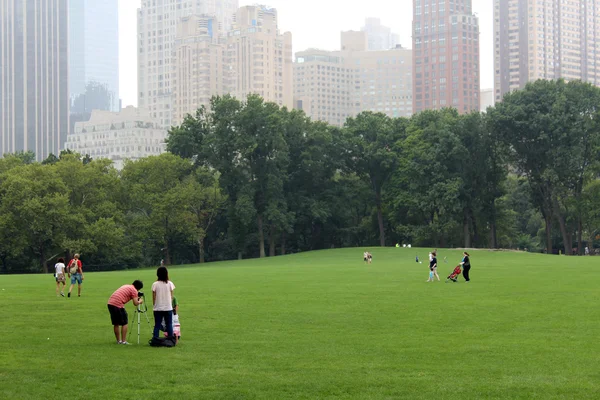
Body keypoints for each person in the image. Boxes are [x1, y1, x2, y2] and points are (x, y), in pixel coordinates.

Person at [107, 280, 144, 345]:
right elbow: (135, 303)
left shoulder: (127, 285)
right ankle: (124, 341)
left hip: (110, 303)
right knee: (124, 322)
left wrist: (135, 296)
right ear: (138, 288)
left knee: (116, 323)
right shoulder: (134, 290)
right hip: (117, 304)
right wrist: (140, 301)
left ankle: (119, 341)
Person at [152, 266, 175, 339]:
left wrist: (155, 305)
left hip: (158, 308)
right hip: (168, 307)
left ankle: (155, 339)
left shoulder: (155, 284)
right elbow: (171, 296)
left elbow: (154, 297)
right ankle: (170, 339)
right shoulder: (170, 283)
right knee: (169, 324)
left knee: (157, 324)